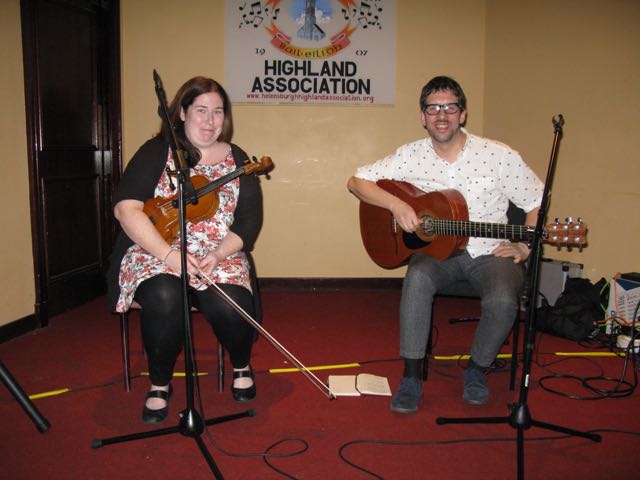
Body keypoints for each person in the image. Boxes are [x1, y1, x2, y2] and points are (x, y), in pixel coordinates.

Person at [347, 76, 543, 413]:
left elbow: (536, 201)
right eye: (433, 108)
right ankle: (410, 376)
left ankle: (477, 369)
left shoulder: (499, 155)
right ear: (423, 116)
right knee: (417, 279)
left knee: (503, 301)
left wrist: (525, 246)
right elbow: (356, 181)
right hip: (437, 253)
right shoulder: (410, 155)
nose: (442, 115)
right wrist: (398, 205)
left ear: (462, 114)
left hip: (489, 252)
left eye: (450, 107)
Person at [107, 76, 263, 424]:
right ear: (181, 112)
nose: (210, 121)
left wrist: (219, 255)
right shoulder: (156, 151)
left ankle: (241, 362)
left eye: (218, 112)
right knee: (164, 294)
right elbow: (126, 209)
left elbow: (248, 223)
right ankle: (160, 383)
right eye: (201, 111)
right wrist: (168, 255)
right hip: (154, 250)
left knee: (231, 302)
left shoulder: (237, 158)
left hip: (217, 252)